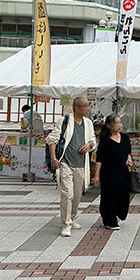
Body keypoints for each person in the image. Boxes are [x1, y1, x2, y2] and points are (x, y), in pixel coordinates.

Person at [47, 97, 97, 238]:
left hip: (81, 164)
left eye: (88, 106)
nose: (88, 109)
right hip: (65, 163)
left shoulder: (88, 123)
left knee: (77, 195)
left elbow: (93, 140)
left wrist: (89, 145)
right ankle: (66, 224)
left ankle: (72, 217)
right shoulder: (65, 121)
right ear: (77, 108)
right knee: (67, 194)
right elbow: (52, 139)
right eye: (85, 106)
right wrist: (53, 158)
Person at [93, 114, 133, 230]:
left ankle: (118, 214)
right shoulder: (105, 141)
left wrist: (129, 159)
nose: (119, 125)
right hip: (108, 173)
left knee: (123, 196)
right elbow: (99, 159)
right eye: (116, 123)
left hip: (123, 172)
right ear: (109, 125)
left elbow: (128, 152)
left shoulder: (125, 138)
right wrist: (96, 175)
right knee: (109, 197)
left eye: (120, 122)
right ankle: (109, 220)